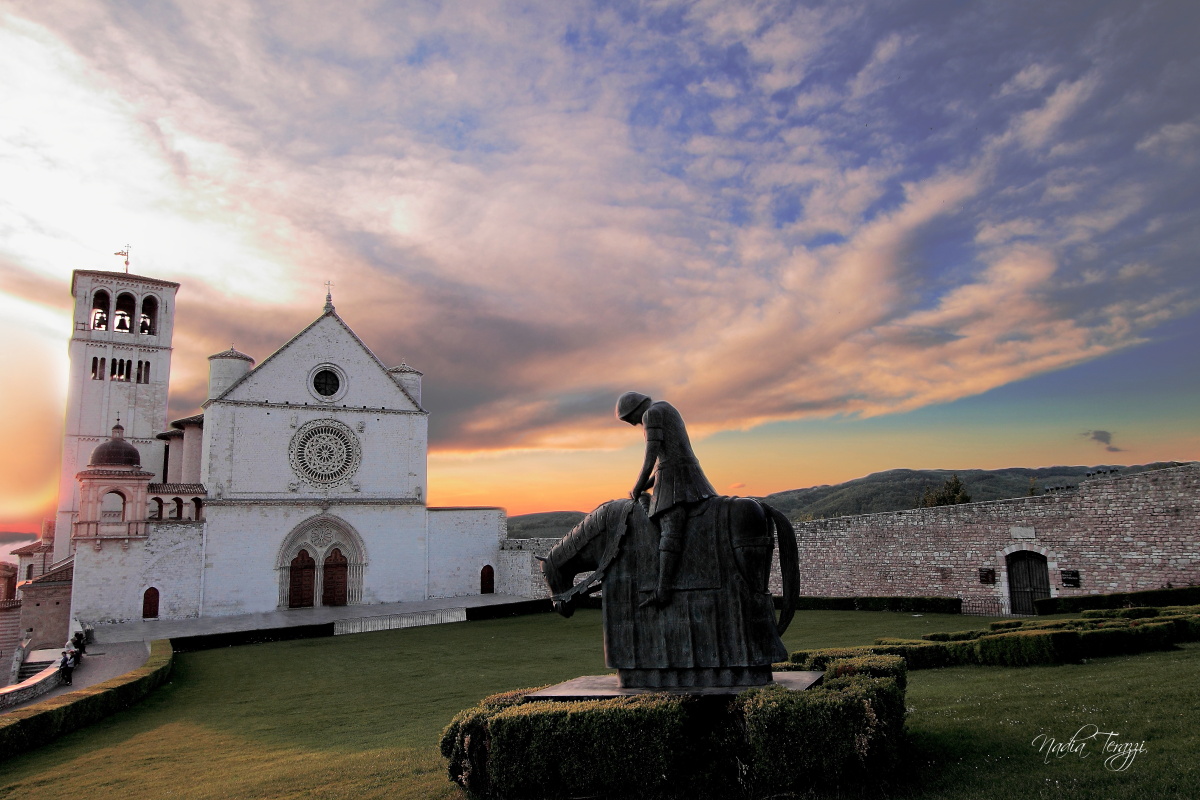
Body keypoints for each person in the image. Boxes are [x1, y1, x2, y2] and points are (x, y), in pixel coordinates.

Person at [616, 392, 717, 607]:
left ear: (635, 410)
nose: (634, 424)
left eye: (630, 419)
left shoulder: (651, 414)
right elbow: (667, 460)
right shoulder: (666, 407)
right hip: (679, 473)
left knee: (670, 529)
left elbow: (651, 458)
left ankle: (663, 591)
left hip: (678, 480)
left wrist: (637, 485)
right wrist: (645, 485)